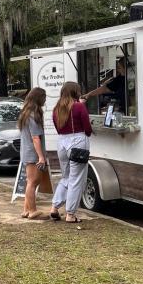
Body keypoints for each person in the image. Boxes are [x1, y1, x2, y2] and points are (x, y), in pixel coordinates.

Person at [51, 81, 93, 223]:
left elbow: (58, 128)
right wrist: (82, 105)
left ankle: (55, 207)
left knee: (66, 177)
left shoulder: (56, 108)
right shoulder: (79, 106)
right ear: (76, 92)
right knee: (76, 179)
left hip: (62, 143)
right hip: (78, 142)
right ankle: (70, 213)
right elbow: (87, 129)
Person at [17, 87, 48, 220]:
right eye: (44, 97)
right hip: (33, 153)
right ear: (38, 98)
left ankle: (26, 209)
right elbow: (36, 138)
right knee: (33, 182)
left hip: (26, 151)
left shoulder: (25, 113)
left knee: (30, 182)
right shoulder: (33, 115)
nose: (45, 99)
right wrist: (41, 157)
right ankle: (33, 210)